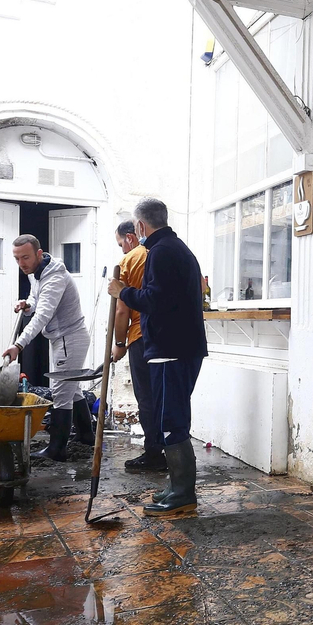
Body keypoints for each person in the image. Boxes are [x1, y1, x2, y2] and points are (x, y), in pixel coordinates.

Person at [107, 197, 207, 516]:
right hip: (180, 347)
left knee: (170, 420)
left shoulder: (161, 252)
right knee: (171, 417)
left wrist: (122, 292)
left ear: (140, 225)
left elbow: (155, 300)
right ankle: (176, 485)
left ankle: (182, 493)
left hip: (170, 350)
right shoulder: (176, 249)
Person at [3, 235, 91, 462]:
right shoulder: (37, 272)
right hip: (63, 337)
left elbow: (43, 315)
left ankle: (57, 449)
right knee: (73, 389)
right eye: (17, 258)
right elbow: (36, 298)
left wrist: (18, 344)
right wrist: (27, 304)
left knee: (61, 393)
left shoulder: (55, 278)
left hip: (69, 338)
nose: (21, 263)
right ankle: (86, 436)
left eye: (25, 257)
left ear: (39, 254)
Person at [111, 220, 167, 474]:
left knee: (146, 398)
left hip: (140, 335)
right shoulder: (161, 253)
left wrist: (119, 343)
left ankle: (154, 454)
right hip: (167, 335)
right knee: (163, 396)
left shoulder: (129, 260)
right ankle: (168, 449)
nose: (122, 249)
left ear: (131, 237)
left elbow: (122, 309)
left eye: (120, 243)